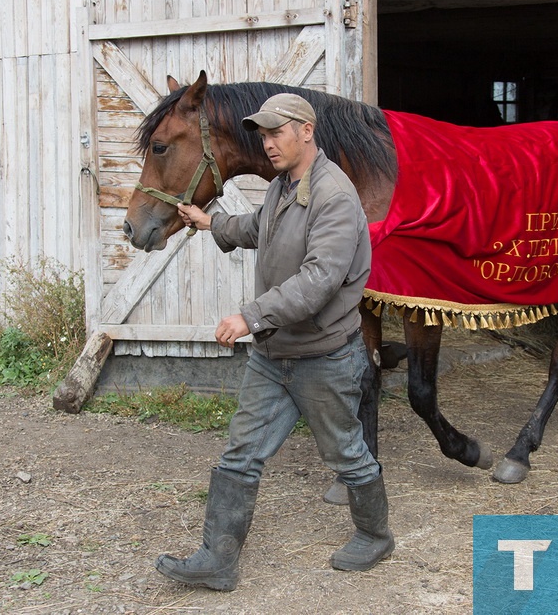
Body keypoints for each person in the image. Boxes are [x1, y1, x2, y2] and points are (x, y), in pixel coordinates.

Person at [157, 93, 394, 591]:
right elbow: (261, 228)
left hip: (325, 358)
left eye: (276, 132)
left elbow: (318, 281)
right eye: (262, 135)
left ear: (306, 130)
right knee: (240, 454)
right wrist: (212, 224)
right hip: (274, 356)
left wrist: (249, 316)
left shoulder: (335, 196)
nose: (267, 144)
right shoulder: (286, 186)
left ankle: (375, 535)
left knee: (348, 453)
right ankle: (217, 559)